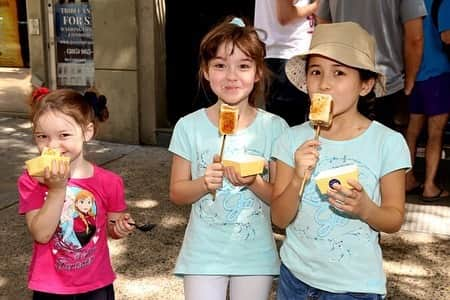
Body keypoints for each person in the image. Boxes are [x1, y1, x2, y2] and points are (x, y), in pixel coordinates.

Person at [271, 22, 411, 299]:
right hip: (294, 279)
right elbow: (279, 218)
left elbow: (393, 219)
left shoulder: (388, 143)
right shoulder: (289, 139)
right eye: (316, 72)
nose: (324, 83)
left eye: (339, 72)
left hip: (355, 288)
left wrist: (366, 208)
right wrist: (298, 176)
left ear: (365, 84)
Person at [168, 16, 289, 300]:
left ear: (258, 72)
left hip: (255, 254)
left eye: (244, 66)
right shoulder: (189, 126)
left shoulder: (275, 128)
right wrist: (203, 183)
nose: (231, 76)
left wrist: (255, 182)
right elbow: (176, 192)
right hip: (202, 253)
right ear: (206, 71)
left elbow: (281, 201)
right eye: (220, 65)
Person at [17, 88, 135, 299]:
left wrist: (120, 228)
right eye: (42, 136)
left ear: (87, 132)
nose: (52, 145)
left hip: (96, 284)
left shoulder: (110, 182)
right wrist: (57, 189)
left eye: (64, 135)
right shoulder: (32, 180)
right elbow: (41, 234)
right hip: (50, 287)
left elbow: (111, 229)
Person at [316, 0, 426, 133]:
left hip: (342, 79)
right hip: (387, 83)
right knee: (385, 146)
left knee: (339, 143)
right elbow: (415, 38)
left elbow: (323, 25)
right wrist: (409, 82)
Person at [405, 0, 450, 200]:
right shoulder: (445, 2)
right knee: (436, 133)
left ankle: (407, 179)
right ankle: (430, 187)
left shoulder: (412, 2)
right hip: (437, 73)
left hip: (415, 72)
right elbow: (447, 37)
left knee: (413, 131)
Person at [254, 0, 319, 126]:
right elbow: (285, 15)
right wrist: (317, 6)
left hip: (281, 53)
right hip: (289, 55)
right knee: (292, 130)